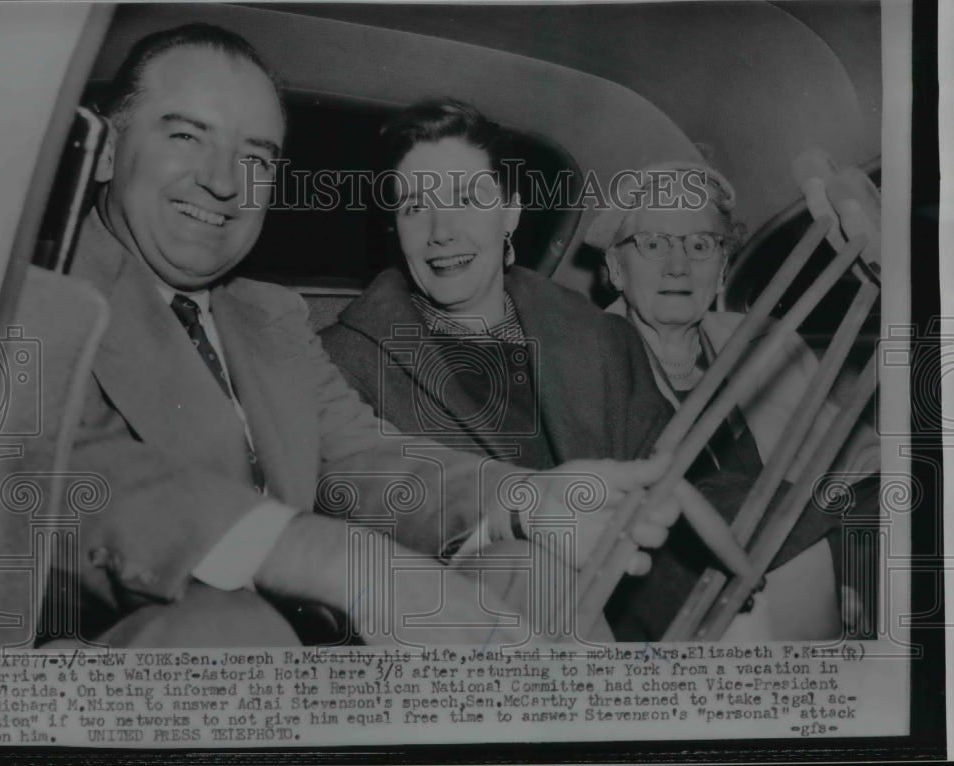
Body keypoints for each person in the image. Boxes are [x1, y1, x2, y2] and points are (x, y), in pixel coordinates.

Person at [20, 27, 687, 648]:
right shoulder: (22, 289)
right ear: (105, 149)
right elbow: (54, 472)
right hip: (161, 650)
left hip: (325, 649)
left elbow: (362, 462)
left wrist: (525, 501)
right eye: (188, 137)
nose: (223, 181)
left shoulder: (266, 316)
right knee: (232, 630)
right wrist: (325, 557)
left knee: (526, 569)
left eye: (254, 157)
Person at [321, 99, 759, 640]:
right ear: (395, 226)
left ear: (511, 212)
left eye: (467, 199)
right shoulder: (341, 361)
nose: (441, 231)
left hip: (635, 609)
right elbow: (345, 527)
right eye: (415, 207)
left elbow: (679, 474)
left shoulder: (599, 334)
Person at [585, 161, 880, 638]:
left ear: (723, 269)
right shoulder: (586, 359)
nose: (677, 265)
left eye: (700, 245)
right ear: (616, 269)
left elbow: (858, 462)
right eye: (654, 244)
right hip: (689, 601)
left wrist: (854, 576)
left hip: (816, 563)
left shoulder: (766, 338)